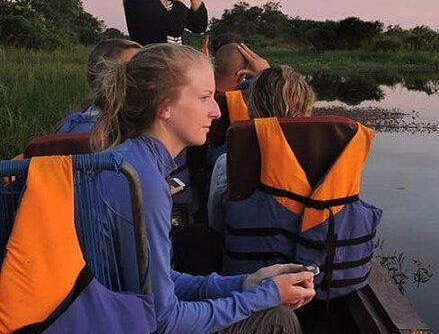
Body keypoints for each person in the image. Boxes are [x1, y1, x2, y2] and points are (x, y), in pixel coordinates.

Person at [90, 44, 314, 333]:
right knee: (278, 320)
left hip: (117, 315)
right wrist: (267, 296)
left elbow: (162, 283)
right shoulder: (141, 181)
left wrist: (249, 282)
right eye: (205, 98)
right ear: (164, 106)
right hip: (125, 324)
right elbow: (165, 321)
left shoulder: (131, 161)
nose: (217, 111)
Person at [208, 65, 315, 234]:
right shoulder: (330, 161)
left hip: (248, 258)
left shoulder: (228, 163)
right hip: (312, 258)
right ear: (307, 109)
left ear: (250, 110)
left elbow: (216, 225)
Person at [56, 38, 141, 134]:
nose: (148, 77)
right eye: (134, 69)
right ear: (108, 78)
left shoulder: (129, 123)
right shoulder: (89, 132)